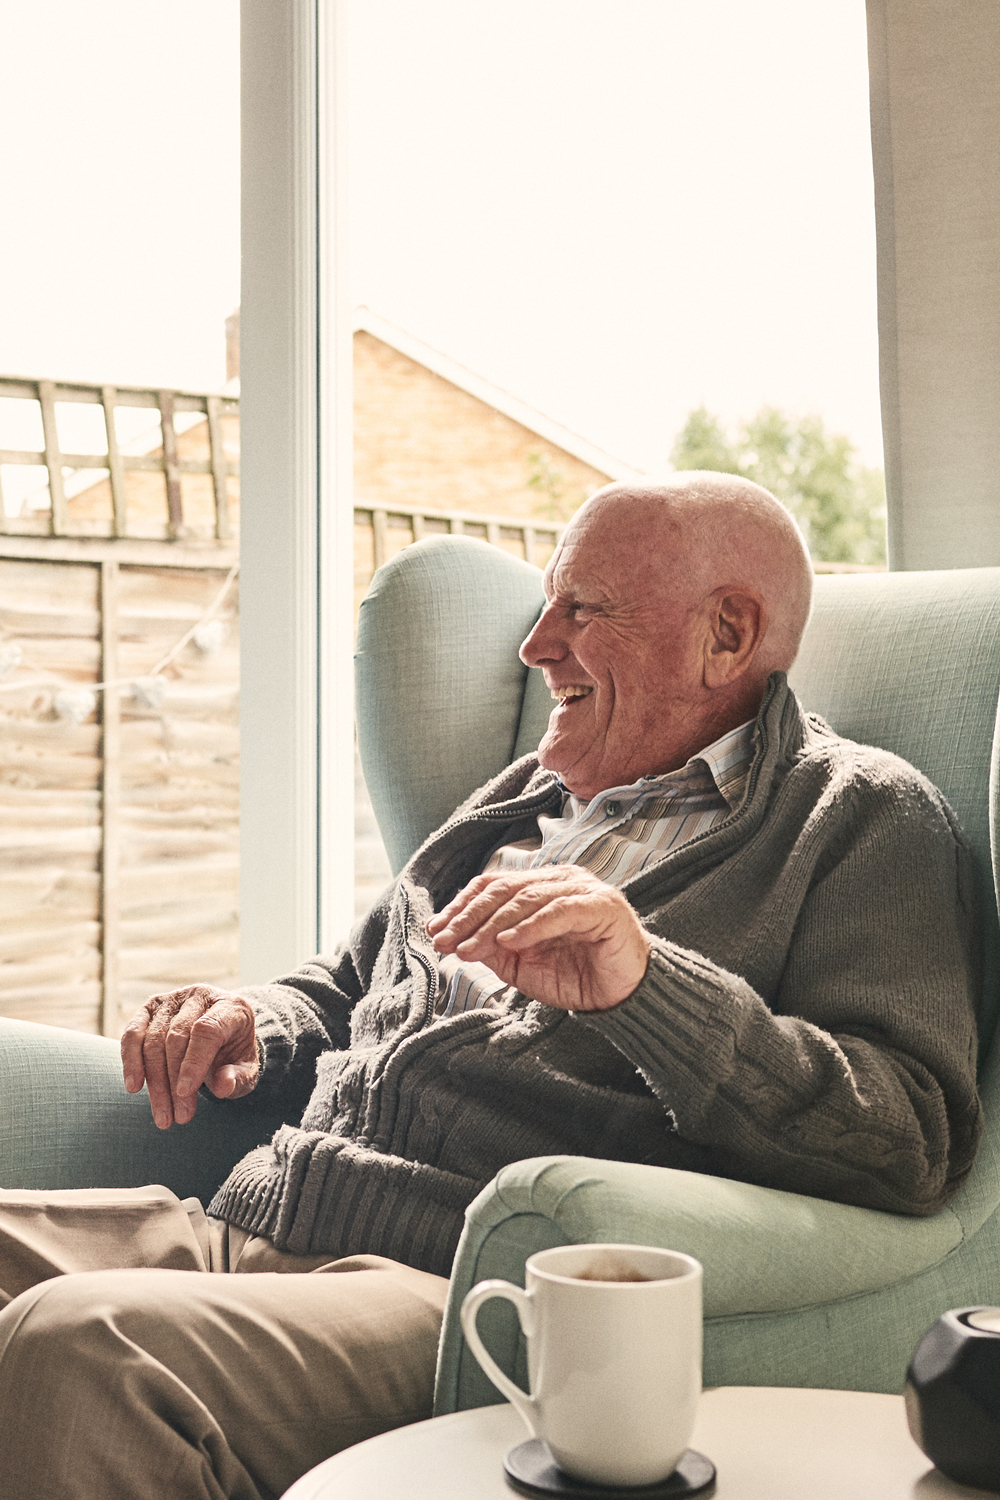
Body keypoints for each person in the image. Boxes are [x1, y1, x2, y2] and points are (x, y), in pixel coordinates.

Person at [0, 475, 982, 1499]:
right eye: (544, 604)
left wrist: (646, 985)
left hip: (459, 1284)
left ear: (726, 634)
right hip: (258, 1218)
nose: (535, 645)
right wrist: (252, 1020)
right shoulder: (523, 796)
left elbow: (906, 1140)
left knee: (88, 1350)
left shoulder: (858, 818)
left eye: (582, 610)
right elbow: (345, 982)